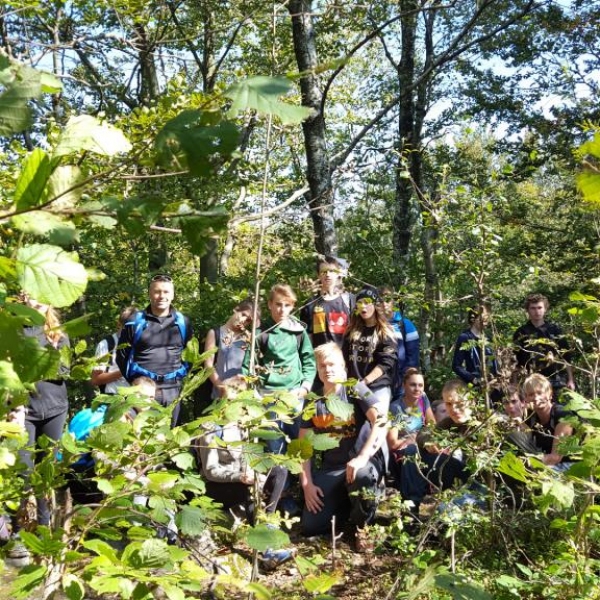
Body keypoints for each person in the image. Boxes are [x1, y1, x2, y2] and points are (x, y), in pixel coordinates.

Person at [300, 343, 389, 552]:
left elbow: (381, 420)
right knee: (311, 526)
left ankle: (363, 527)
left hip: (363, 463)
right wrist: (307, 484)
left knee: (362, 476)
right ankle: (345, 507)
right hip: (332, 468)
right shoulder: (313, 400)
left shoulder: (355, 388)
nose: (327, 369)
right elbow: (302, 446)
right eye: (322, 366)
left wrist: (363, 457)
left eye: (332, 364)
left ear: (343, 367)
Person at [197, 376, 292, 569]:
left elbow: (246, 458)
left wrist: (253, 473)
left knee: (279, 470)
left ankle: (267, 523)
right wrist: (240, 477)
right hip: (215, 486)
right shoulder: (211, 430)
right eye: (231, 401)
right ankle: (267, 550)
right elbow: (210, 471)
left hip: (240, 479)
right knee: (247, 490)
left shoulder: (243, 426)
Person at [7, 294, 70, 564]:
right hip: (23, 411)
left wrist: (48, 356)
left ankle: (44, 532)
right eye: (31, 297)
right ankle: (18, 534)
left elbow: (63, 370)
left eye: (41, 299)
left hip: (54, 409)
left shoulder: (58, 333)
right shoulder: (13, 330)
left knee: (47, 474)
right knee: (23, 472)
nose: (35, 302)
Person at [242, 284, 316, 451]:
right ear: (270, 304)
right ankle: (277, 469)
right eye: (278, 304)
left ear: (292, 306)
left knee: (298, 443)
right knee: (274, 446)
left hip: (295, 394)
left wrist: (305, 387)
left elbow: (309, 360)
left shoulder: (298, 331)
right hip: (268, 395)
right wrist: (253, 394)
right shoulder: (261, 333)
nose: (282, 309)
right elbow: (248, 366)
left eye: (287, 305)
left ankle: (300, 469)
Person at [116, 274, 193, 427]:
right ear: (150, 294)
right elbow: (121, 356)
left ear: (173, 295)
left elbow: (190, 354)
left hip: (172, 389)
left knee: (170, 435)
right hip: (143, 392)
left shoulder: (183, 322)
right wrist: (135, 382)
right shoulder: (134, 322)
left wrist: (180, 377)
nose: (161, 296)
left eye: (166, 292)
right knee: (142, 435)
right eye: (157, 291)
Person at [387, 369, 436, 512]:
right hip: (403, 450)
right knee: (412, 451)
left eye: (420, 385)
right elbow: (392, 443)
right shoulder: (396, 408)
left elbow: (432, 424)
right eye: (413, 385)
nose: (417, 389)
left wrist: (425, 438)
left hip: (422, 443)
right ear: (404, 386)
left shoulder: (423, 399)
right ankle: (411, 507)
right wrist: (411, 439)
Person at [342, 286, 397, 409]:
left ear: (375, 305)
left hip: (377, 386)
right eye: (359, 303)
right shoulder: (350, 331)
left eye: (367, 302)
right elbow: (344, 360)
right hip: (353, 388)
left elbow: (386, 362)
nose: (363, 306)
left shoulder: (385, 331)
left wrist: (365, 382)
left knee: (378, 419)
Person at [513, 293, 575, 396]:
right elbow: (515, 361)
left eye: (539, 308)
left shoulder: (555, 330)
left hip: (556, 380)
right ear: (527, 310)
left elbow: (566, 357)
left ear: (545, 309)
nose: (537, 311)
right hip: (532, 381)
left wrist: (571, 380)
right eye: (533, 308)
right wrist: (515, 384)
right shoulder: (521, 332)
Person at [204, 298, 258, 400]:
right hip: (220, 396)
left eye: (248, 320)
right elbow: (208, 365)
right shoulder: (215, 333)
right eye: (243, 314)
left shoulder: (249, 338)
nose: (243, 320)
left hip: (242, 396)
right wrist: (222, 387)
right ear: (236, 309)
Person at [521, 373, 575, 467]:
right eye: (531, 394)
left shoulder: (563, 415)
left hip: (571, 465)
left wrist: (526, 463)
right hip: (546, 462)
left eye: (539, 393)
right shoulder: (530, 418)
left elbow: (555, 457)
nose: (536, 398)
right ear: (526, 398)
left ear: (550, 394)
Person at [300, 256, 354, 349]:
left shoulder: (350, 300)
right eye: (324, 271)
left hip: (345, 357)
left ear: (338, 273)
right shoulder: (310, 305)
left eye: (331, 271)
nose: (327, 274)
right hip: (320, 357)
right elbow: (307, 341)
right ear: (318, 275)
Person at [452, 306, 498, 401]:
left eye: (487, 318)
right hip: (475, 388)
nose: (486, 321)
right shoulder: (465, 337)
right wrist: (473, 379)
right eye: (483, 318)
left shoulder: (489, 338)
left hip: (492, 386)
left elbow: (494, 363)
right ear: (474, 319)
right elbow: (456, 366)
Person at [91, 306, 136, 395]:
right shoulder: (106, 345)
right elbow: (95, 380)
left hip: (138, 399)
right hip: (113, 398)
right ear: (119, 325)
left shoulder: (143, 344)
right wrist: (123, 372)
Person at [379, 286, 420, 383]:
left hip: (400, 380)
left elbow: (413, 360)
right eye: (380, 300)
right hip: (377, 379)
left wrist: (406, 381)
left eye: (387, 299)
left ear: (393, 300)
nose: (384, 303)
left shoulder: (406, 325)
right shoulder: (371, 325)